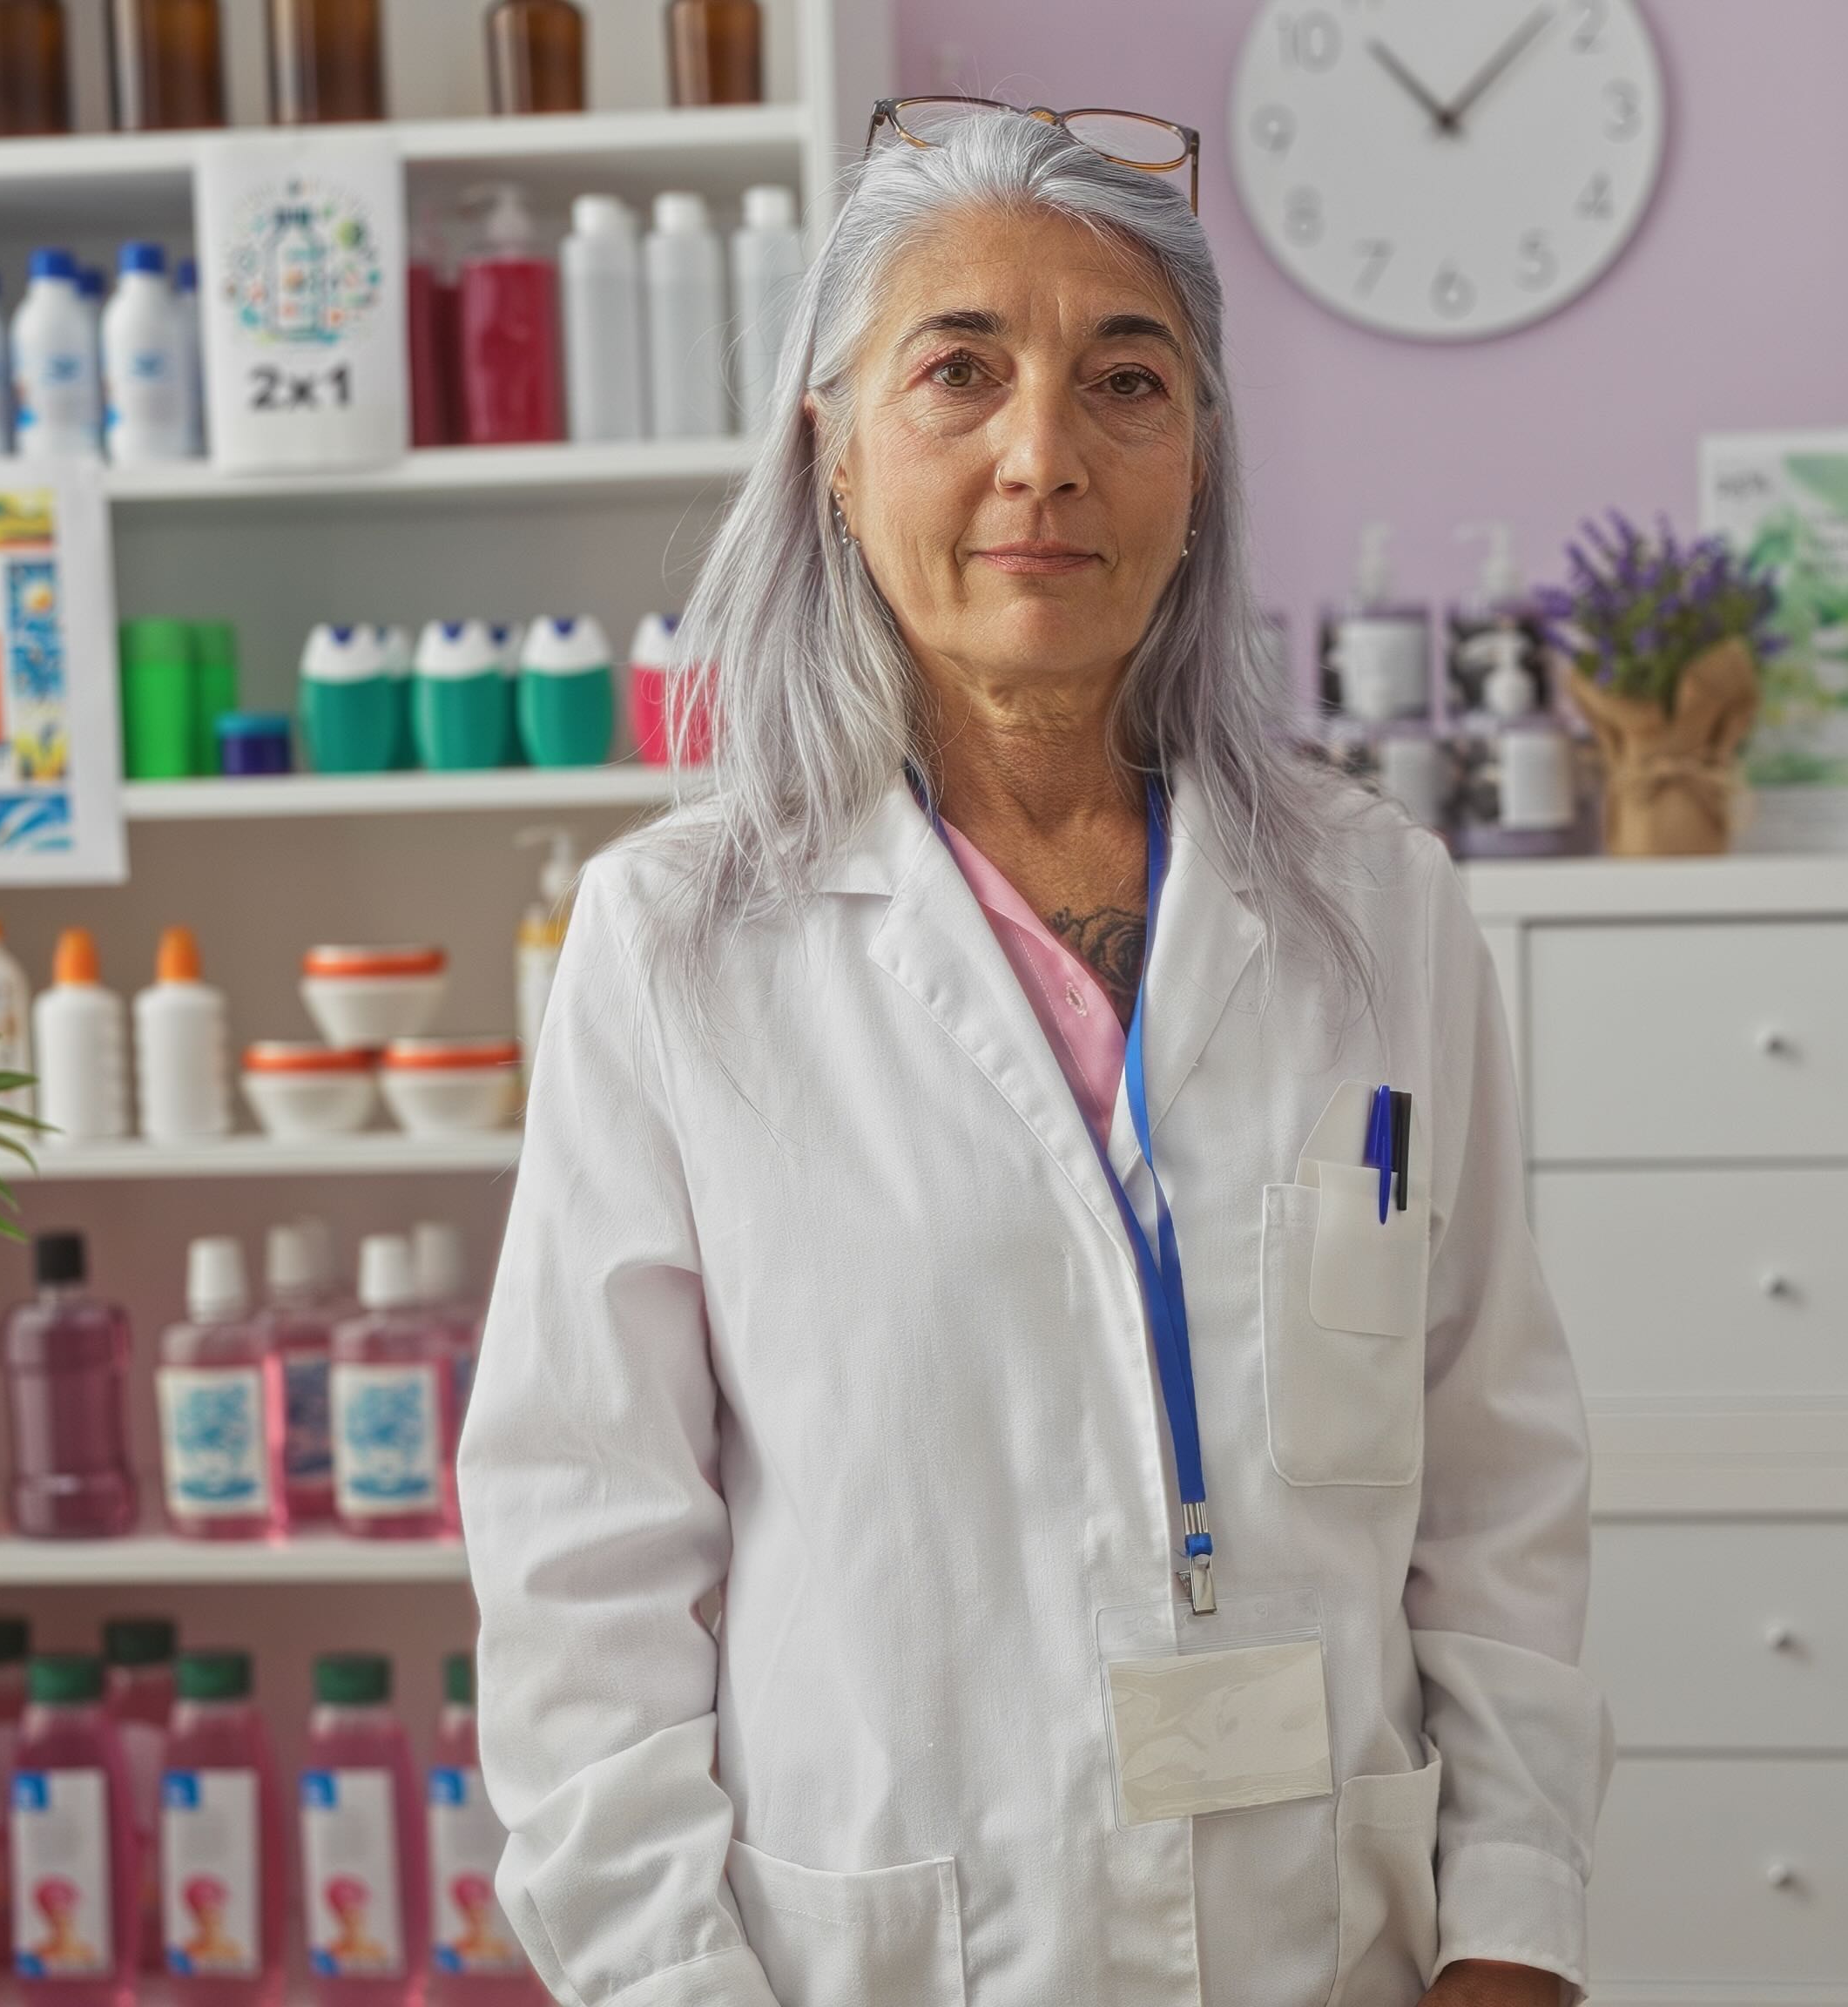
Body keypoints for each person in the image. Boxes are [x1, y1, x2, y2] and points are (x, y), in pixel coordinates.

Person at [461, 101, 1606, 2007]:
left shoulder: (1375, 906)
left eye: (1125, 380)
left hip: (1326, 1940)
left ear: (1200, 457)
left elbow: (1491, 1473)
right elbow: (583, 1566)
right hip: (895, 1950)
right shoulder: (675, 944)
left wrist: (1511, 1928)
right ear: (830, 449)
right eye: (960, 373)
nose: (1041, 456)